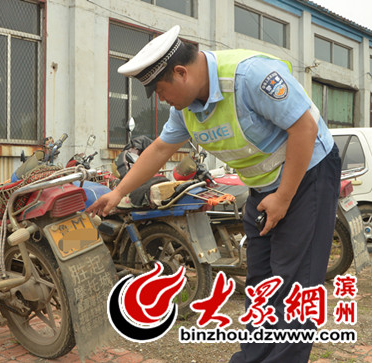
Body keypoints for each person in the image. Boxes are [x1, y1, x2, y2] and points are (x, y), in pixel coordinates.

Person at [87, 25, 341, 362]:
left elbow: (304, 127)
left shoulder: (251, 76)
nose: (163, 100)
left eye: (162, 91)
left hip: (308, 176)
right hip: (264, 187)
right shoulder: (187, 108)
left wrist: (284, 197)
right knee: (261, 281)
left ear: (181, 73)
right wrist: (118, 192)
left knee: (294, 283)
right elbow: (162, 148)